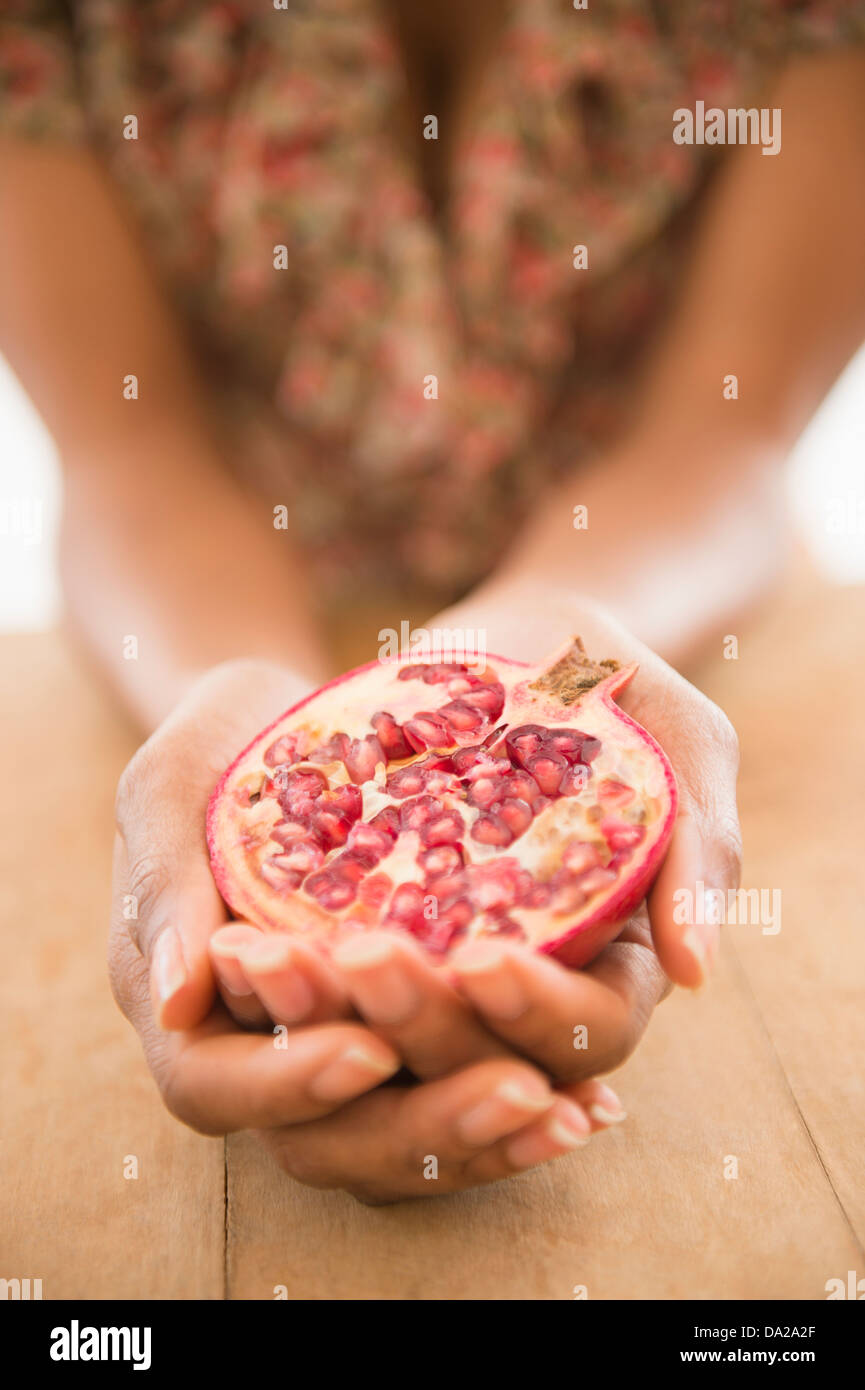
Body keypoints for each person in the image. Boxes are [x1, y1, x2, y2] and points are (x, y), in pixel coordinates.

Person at [1, 1, 864, 1203]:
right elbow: (133, 452)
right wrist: (232, 699)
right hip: (212, 598)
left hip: (665, 607)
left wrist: (555, 619)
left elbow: (723, 432)